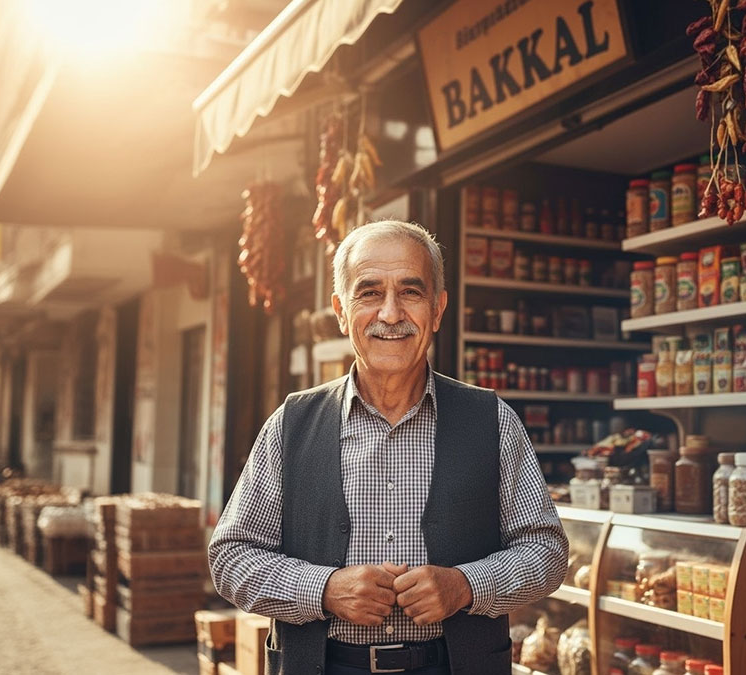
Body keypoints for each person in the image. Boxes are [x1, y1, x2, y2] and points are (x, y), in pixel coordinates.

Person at [210, 220, 569, 675]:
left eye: (411, 292)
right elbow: (231, 556)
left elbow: (546, 550)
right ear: (341, 311)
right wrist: (322, 588)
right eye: (370, 293)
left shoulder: (492, 421)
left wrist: (466, 585)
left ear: (437, 310)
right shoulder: (292, 424)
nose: (391, 313)